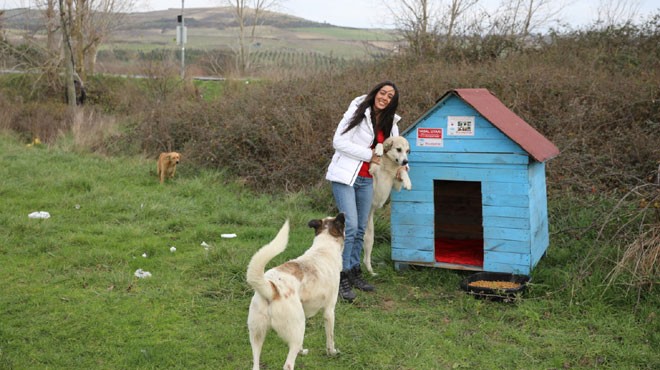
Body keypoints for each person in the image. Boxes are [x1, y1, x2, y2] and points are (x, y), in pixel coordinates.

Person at [325, 81, 401, 302]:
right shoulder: (357, 112)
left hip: (368, 180)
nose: (385, 98)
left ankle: (353, 269)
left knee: (361, 228)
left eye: (390, 96)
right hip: (346, 176)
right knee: (351, 225)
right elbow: (338, 142)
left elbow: (397, 147)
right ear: (375, 93)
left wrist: (403, 166)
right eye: (383, 93)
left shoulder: (390, 122)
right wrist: (369, 156)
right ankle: (340, 277)